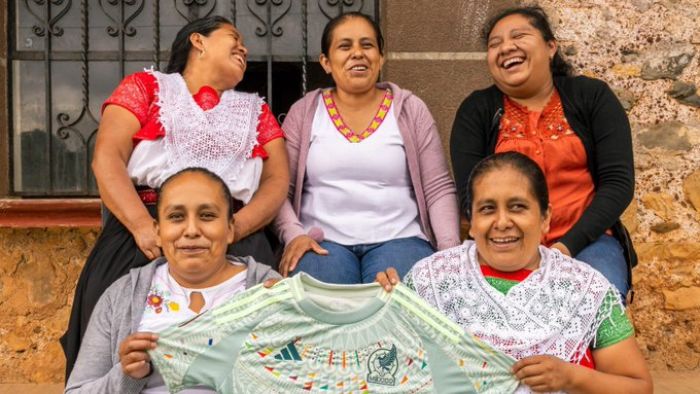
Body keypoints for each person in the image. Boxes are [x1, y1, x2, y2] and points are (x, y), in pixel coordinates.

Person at [61, 16, 289, 378]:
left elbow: (277, 179)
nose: (244, 48)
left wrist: (237, 227)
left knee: (267, 341)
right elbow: (107, 157)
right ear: (198, 41)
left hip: (237, 235)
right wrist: (141, 226)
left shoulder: (256, 111)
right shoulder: (147, 88)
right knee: (113, 316)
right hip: (146, 229)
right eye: (234, 37)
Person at [377, 152, 652, 394]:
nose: (502, 222)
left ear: (545, 218)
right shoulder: (432, 281)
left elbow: (638, 387)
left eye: (517, 207)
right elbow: (385, 373)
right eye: (487, 209)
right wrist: (381, 309)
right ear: (470, 222)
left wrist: (570, 377)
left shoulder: (585, 289)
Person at [449, 6, 635, 299]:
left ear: (550, 47)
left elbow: (618, 184)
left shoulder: (591, 97)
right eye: (494, 44)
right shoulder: (476, 111)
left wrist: (565, 248)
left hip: (587, 242)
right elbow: (468, 195)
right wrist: (511, 249)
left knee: (600, 301)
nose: (506, 47)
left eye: (519, 36)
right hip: (504, 243)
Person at [274, 12, 460, 284]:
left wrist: (449, 254)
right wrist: (294, 235)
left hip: (401, 239)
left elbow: (438, 187)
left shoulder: (410, 109)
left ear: (381, 57)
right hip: (321, 243)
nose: (357, 53)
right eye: (345, 46)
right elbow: (279, 187)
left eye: (367, 45)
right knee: (326, 309)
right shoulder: (304, 113)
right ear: (326, 62)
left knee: (397, 309)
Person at [64, 167, 282, 394]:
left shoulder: (268, 291)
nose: (191, 230)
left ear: (229, 229)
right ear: (157, 231)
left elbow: (309, 381)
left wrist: (286, 328)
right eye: (176, 217)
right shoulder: (122, 296)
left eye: (207, 216)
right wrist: (126, 375)